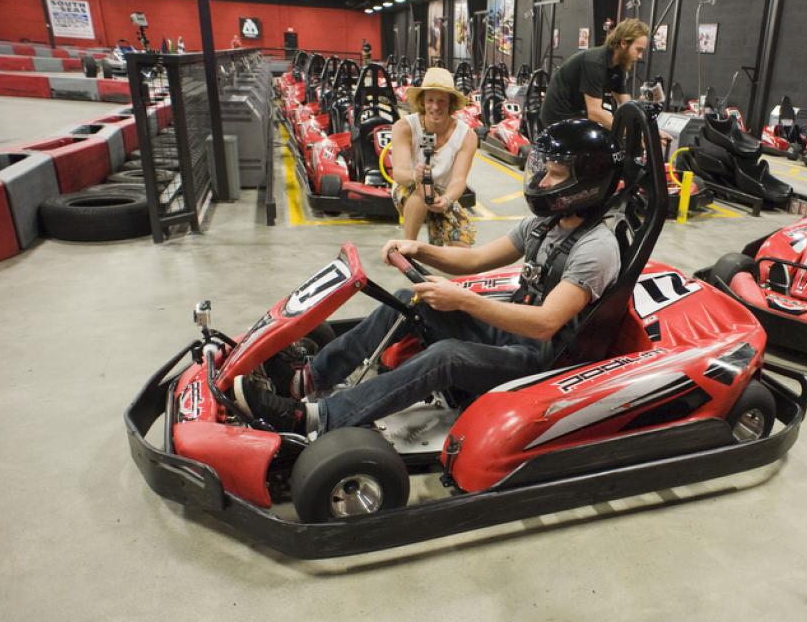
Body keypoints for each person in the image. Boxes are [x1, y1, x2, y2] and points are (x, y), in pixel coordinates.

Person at [233, 119, 624, 436]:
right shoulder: (546, 223)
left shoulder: (596, 249)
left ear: (585, 185)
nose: (541, 182)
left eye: (554, 175)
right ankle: (307, 379)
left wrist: (463, 300)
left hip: (542, 359)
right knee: (407, 298)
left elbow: (545, 325)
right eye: (544, 170)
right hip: (511, 331)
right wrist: (419, 249)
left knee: (445, 357)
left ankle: (317, 418)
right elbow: (475, 259)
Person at [389, 67, 478, 246]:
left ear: (450, 103)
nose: (435, 107)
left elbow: (459, 180)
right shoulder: (404, 127)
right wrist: (415, 175)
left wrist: (446, 200)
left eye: (441, 101)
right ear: (423, 101)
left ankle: (438, 247)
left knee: (462, 247)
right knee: (421, 193)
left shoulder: (467, 136)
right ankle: (408, 247)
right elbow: (399, 173)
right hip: (409, 186)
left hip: (444, 193)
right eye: (430, 100)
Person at [539, 18, 649, 129]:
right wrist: (629, 132)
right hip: (558, 117)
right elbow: (595, 113)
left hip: (578, 114)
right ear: (624, 43)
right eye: (638, 50)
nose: (640, 56)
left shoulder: (618, 66)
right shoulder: (595, 62)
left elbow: (626, 104)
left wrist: (648, 130)